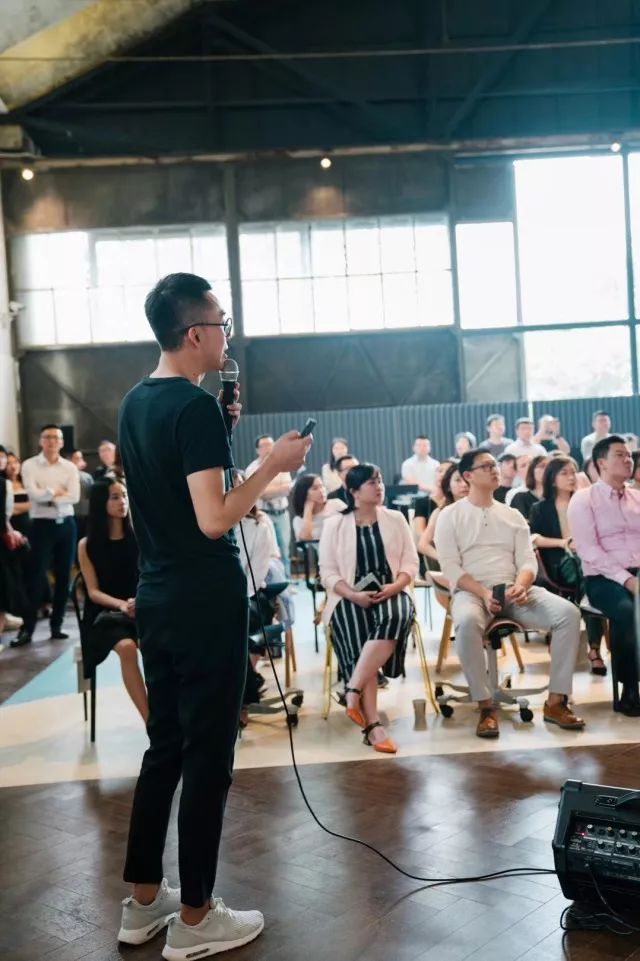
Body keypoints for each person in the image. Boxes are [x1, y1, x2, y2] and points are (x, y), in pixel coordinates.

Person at [116, 272, 310, 956]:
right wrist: (273, 464)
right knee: (208, 757)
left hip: (159, 593)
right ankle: (197, 919)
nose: (227, 335)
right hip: (204, 599)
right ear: (196, 333)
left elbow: (165, 497)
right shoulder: (193, 408)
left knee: (165, 746)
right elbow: (214, 518)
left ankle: (144, 903)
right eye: (222, 323)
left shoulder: (135, 401)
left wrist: (220, 438)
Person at [435, 448, 584, 739]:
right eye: (486, 466)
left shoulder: (512, 515)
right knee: (466, 621)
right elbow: (450, 567)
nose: (495, 470)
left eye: (495, 465)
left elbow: (527, 561)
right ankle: (485, 705)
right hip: (472, 592)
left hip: (515, 590)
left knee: (568, 614)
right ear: (467, 476)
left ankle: (556, 702)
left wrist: (522, 584)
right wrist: (483, 592)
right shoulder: (450, 515)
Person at [319, 463, 418, 755]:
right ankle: (373, 725)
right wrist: (353, 594)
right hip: (348, 596)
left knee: (396, 615)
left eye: (380, 480)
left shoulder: (396, 518)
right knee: (358, 634)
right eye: (372, 482)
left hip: (391, 589)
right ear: (354, 491)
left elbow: (411, 563)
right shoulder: (334, 524)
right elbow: (327, 573)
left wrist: (396, 586)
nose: (380, 486)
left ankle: (352, 689)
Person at [568, 435, 640, 716]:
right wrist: (628, 580)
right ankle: (630, 687)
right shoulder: (584, 499)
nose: (628, 459)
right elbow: (589, 551)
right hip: (603, 578)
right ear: (601, 463)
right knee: (627, 610)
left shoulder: (637, 497)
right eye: (620, 455)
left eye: (629, 455)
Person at [529, 457, 607, 676]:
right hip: (560, 561)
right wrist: (563, 542)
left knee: (589, 578)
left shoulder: (585, 503)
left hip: (588, 561)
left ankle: (593, 647)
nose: (571, 477)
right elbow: (534, 538)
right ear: (552, 479)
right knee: (590, 579)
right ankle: (594, 649)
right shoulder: (540, 508)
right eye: (564, 473)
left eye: (573, 472)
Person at [78, 479, 148, 721]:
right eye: (115, 497)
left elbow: (151, 574)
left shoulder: (139, 536)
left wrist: (139, 600)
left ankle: (166, 711)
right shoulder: (87, 545)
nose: (123, 502)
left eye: (124, 495)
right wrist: (122, 605)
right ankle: (150, 721)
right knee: (127, 648)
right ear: (101, 503)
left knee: (158, 645)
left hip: (141, 606)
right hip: (105, 614)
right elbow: (93, 592)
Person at [12, 425, 80, 648]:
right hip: (41, 525)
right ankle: (28, 628)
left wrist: (47, 494)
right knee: (35, 576)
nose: (52, 441)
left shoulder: (69, 467)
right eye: (48, 437)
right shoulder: (30, 465)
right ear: (41, 441)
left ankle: (56, 625)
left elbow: (74, 497)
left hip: (66, 525)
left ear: (62, 442)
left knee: (63, 576)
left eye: (56, 438)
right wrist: (55, 492)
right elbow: (33, 494)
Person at [246, 434, 293, 578]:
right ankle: (271, 580)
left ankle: (287, 580)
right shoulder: (252, 469)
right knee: (268, 550)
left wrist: (266, 490)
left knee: (285, 550)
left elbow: (287, 488)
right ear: (257, 450)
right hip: (263, 514)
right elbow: (257, 492)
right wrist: (273, 490)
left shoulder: (282, 464)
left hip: (282, 513)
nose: (268, 448)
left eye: (270, 444)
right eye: (264, 445)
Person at [417, 461, 469, 570]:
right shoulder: (440, 512)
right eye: (458, 480)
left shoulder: (481, 509)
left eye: (466, 480)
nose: (464, 485)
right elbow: (422, 545)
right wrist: (444, 559)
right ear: (448, 486)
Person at [292, 473, 343, 542]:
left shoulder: (336, 504)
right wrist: (308, 510)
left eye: (322, 486)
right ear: (304, 493)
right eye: (315, 488)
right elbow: (305, 539)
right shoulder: (298, 520)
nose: (321, 491)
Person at [506, 454, 549, 521]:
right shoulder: (515, 494)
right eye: (523, 465)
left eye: (531, 463)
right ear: (517, 472)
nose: (529, 467)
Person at [70, 449, 93, 541]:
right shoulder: (65, 475)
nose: (80, 461)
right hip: (71, 514)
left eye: (81, 458)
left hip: (86, 514)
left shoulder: (87, 476)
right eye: (77, 458)